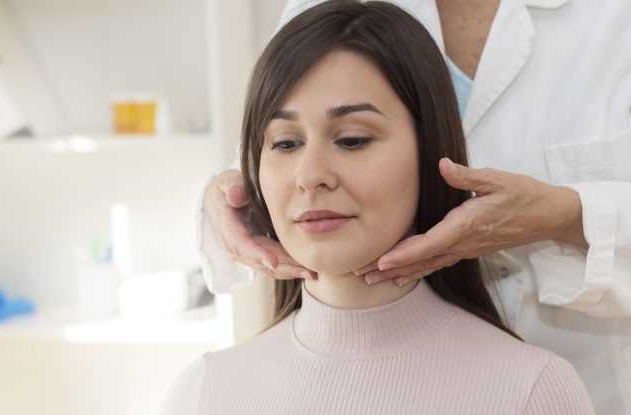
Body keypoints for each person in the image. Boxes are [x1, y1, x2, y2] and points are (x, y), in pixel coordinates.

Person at [197, 0, 631, 412]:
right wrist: (227, 195)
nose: (311, 175)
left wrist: (567, 214)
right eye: (287, 145)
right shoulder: (207, 390)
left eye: (353, 140)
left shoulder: (539, 386)